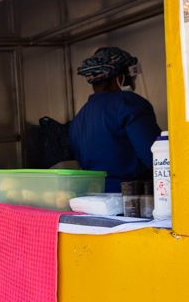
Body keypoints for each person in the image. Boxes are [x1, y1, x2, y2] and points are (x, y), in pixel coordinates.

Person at [68, 47, 162, 193]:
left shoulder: (79, 117)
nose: (133, 81)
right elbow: (155, 157)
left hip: (94, 196)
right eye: (131, 76)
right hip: (131, 196)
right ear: (120, 77)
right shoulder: (128, 103)